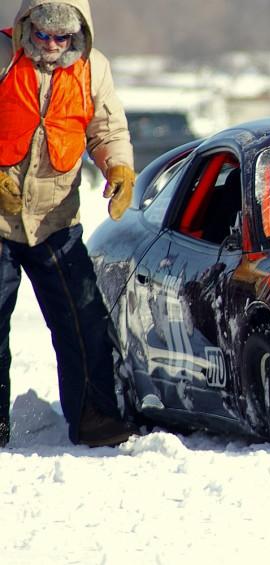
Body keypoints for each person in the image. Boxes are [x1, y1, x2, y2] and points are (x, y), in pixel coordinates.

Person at [0, 0, 138, 447]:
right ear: (26, 28)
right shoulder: (3, 56)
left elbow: (108, 130)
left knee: (85, 322)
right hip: (0, 220)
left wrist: (119, 168)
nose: (52, 47)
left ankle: (94, 418)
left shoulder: (94, 69)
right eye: (43, 36)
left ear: (79, 36)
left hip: (55, 219)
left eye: (64, 39)